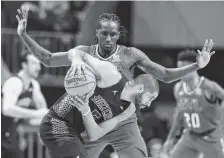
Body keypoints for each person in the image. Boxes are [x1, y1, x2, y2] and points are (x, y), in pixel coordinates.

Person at [16, 8, 215, 158]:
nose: (109, 38)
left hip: (122, 118)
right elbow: (49, 59)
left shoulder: (130, 55)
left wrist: (195, 66)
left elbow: (164, 75)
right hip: (92, 119)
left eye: (113, 34)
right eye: (104, 33)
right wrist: (23, 35)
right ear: (97, 34)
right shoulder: (85, 52)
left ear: (119, 34)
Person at [40, 73, 159, 158]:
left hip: (73, 133)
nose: (149, 104)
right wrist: (77, 60)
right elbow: (84, 56)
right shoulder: (113, 76)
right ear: (140, 88)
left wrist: (86, 110)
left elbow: (94, 134)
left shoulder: (128, 110)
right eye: (150, 98)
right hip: (57, 122)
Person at [162, 50, 224, 158]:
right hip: (190, 136)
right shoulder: (178, 88)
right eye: (179, 68)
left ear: (194, 67)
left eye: (185, 68)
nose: (181, 72)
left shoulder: (208, 86)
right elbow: (179, 115)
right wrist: (170, 139)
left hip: (210, 137)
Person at [1, 51, 49, 158]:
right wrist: (36, 114)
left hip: (10, 133)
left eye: (39, 64)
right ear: (24, 65)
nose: (38, 67)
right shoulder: (15, 82)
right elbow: (7, 109)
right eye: (34, 64)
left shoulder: (33, 85)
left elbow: (42, 108)